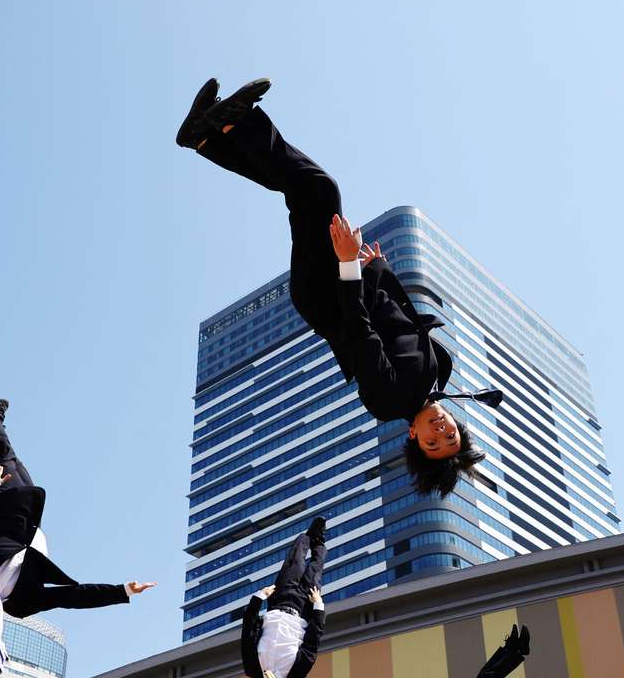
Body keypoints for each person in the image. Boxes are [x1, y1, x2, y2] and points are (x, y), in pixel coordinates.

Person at [176, 77, 503, 496]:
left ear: (413, 437)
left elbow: (360, 333)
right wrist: (377, 268)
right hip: (344, 284)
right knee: (305, 191)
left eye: (433, 443)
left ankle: (232, 123)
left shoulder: (389, 402)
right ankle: (207, 137)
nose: (441, 432)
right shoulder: (437, 374)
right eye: (450, 436)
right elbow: (399, 317)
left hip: (325, 295)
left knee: (318, 189)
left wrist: (348, 264)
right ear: (458, 425)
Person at [0, 400, 156, 672]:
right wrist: (121, 591)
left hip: (7, 501)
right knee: (12, 457)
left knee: (4, 456)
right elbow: (70, 598)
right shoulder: (21, 605)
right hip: (29, 511)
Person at [240, 519, 328, 678]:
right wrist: (318, 606)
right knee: (316, 567)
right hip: (304, 606)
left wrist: (259, 598)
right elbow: (312, 642)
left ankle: (309, 535)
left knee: (295, 560)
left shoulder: (252, 667)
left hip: (280, 600)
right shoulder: (297, 673)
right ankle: (319, 541)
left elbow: (248, 630)